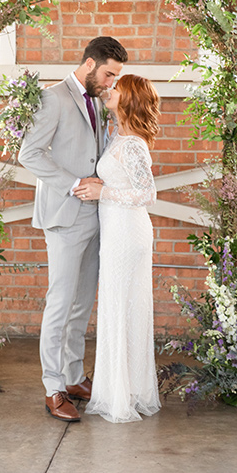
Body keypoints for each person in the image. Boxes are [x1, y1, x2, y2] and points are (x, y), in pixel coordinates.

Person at [18, 36, 128, 422]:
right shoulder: (53, 98)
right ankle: (53, 389)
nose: (112, 82)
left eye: (116, 76)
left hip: (98, 213)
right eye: (109, 74)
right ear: (88, 64)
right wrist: (72, 183)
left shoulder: (99, 98)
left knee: (82, 303)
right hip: (65, 213)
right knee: (60, 303)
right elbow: (29, 153)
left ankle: (74, 376)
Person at [73, 74, 161, 423]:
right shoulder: (116, 134)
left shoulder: (135, 144)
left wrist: (102, 193)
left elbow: (147, 194)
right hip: (114, 231)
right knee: (116, 307)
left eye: (117, 87)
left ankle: (125, 394)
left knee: (124, 308)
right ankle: (121, 388)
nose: (111, 90)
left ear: (129, 98)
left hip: (128, 233)